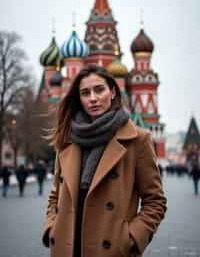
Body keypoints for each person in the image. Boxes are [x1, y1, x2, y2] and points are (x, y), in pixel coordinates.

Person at [42, 64, 167, 257]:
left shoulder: (137, 139)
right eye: (85, 93)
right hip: (66, 247)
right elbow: (55, 196)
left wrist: (130, 239)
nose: (93, 98)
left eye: (99, 89)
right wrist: (52, 227)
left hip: (110, 250)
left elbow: (155, 201)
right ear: (79, 99)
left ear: (113, 92)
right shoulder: (67, 138)